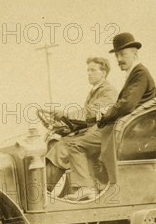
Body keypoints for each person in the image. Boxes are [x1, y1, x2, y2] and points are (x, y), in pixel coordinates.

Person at [64, 32, 156, 201]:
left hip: (133, 131)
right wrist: (99, 117)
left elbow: (127, 104)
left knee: (75, 145)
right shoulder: (134, 73)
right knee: (83, 138)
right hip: (128, 127)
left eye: (123, 54)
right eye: (117, 55)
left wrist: (105, 116)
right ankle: (95, 185)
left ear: (135, 53)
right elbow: (123, 104)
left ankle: (87, 188)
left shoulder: (140, 73)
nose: (119, 59)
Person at [45, 57, 118, 191]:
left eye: (93, 70)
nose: (89, 73)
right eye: (88, 70)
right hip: (92, 132)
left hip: (102, 134)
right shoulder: (94, 92)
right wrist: (65, 125)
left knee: (61, 148)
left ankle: (45, 192)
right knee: (56, 144)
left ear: (104, 73)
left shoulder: (109, 91)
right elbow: (86, 120)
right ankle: (49, 190)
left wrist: (66, 114)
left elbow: (91, 111)